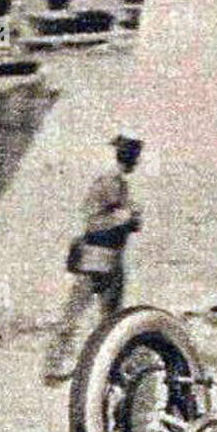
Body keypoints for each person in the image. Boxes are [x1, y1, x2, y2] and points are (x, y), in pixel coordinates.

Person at [42, 131, 144, 384]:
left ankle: (108, 369)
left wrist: (131, 219)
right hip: (96, 261)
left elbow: (127, 223)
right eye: (134, 156)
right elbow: (92, 223)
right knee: (77, 315)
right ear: (128, 157)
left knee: (109, 321)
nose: (137, 162)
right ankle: (55, 366)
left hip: (110, 261)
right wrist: (125, 217)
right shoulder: (109, 181)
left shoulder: (119, 183)